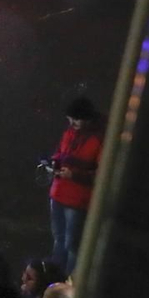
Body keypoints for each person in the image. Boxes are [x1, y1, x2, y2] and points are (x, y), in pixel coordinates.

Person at [45, 94, 102, 274]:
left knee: (72, 245)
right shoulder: (69, 133)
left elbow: (101, 174)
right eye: (71, 119)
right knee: (58, 239)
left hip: (77, 201)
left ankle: (67, 281)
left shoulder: (98, 140)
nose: (72, 122)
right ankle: (54, 280)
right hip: (58, 194)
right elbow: (60, 153)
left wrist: (74, 175)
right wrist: (54, 163)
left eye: (76, 119)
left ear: (87, 118)